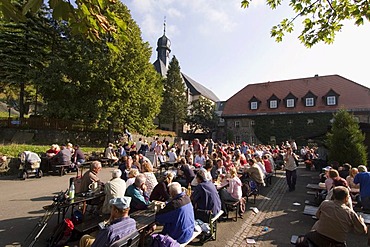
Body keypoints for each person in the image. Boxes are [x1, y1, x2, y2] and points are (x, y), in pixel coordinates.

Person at [296, 186, 367, 247]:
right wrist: (361, 221)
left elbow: (318, 215)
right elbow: (362, 231)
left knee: (305, 236)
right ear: (346, 198)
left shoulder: (325, 204)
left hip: (318, 238)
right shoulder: (350, 213)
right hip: (337, 243)